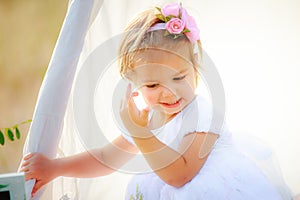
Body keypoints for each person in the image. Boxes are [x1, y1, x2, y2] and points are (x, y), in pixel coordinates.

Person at [20, 2, 292, 199]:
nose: (169, 92)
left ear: (195, 69)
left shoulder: (203, 113)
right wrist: (55, 168)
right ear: (134, 86)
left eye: (179, 77)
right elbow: (106, 158)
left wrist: (141, 134)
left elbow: (180, 175)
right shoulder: (148, 118)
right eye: (152, 84)